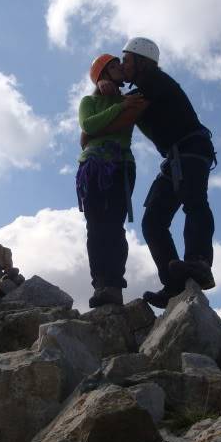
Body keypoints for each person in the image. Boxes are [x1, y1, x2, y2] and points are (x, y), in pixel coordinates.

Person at [119, 37, 217, 308]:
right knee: (153, 221)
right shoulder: (146, 85)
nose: (123, 64)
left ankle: (199, 264)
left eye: (126, 59)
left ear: (141, 61)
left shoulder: (153, 82)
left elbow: (121, 108)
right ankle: (173, 284)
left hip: (191, 148)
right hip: (177, 155)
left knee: (194, 202)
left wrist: (105, 85)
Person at [77, 54, 149, 307]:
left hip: (120, 165)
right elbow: (88, 123)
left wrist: (118, 105)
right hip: (94, 166)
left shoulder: (131, 99)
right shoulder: (90, 101)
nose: (120, 68)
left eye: (120, 64)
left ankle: (114, 286)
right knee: (96, 227)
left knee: (113, 225)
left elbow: (91, 131)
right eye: (114, 66)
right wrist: (118, 106)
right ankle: (101, 284)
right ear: (102, 75)